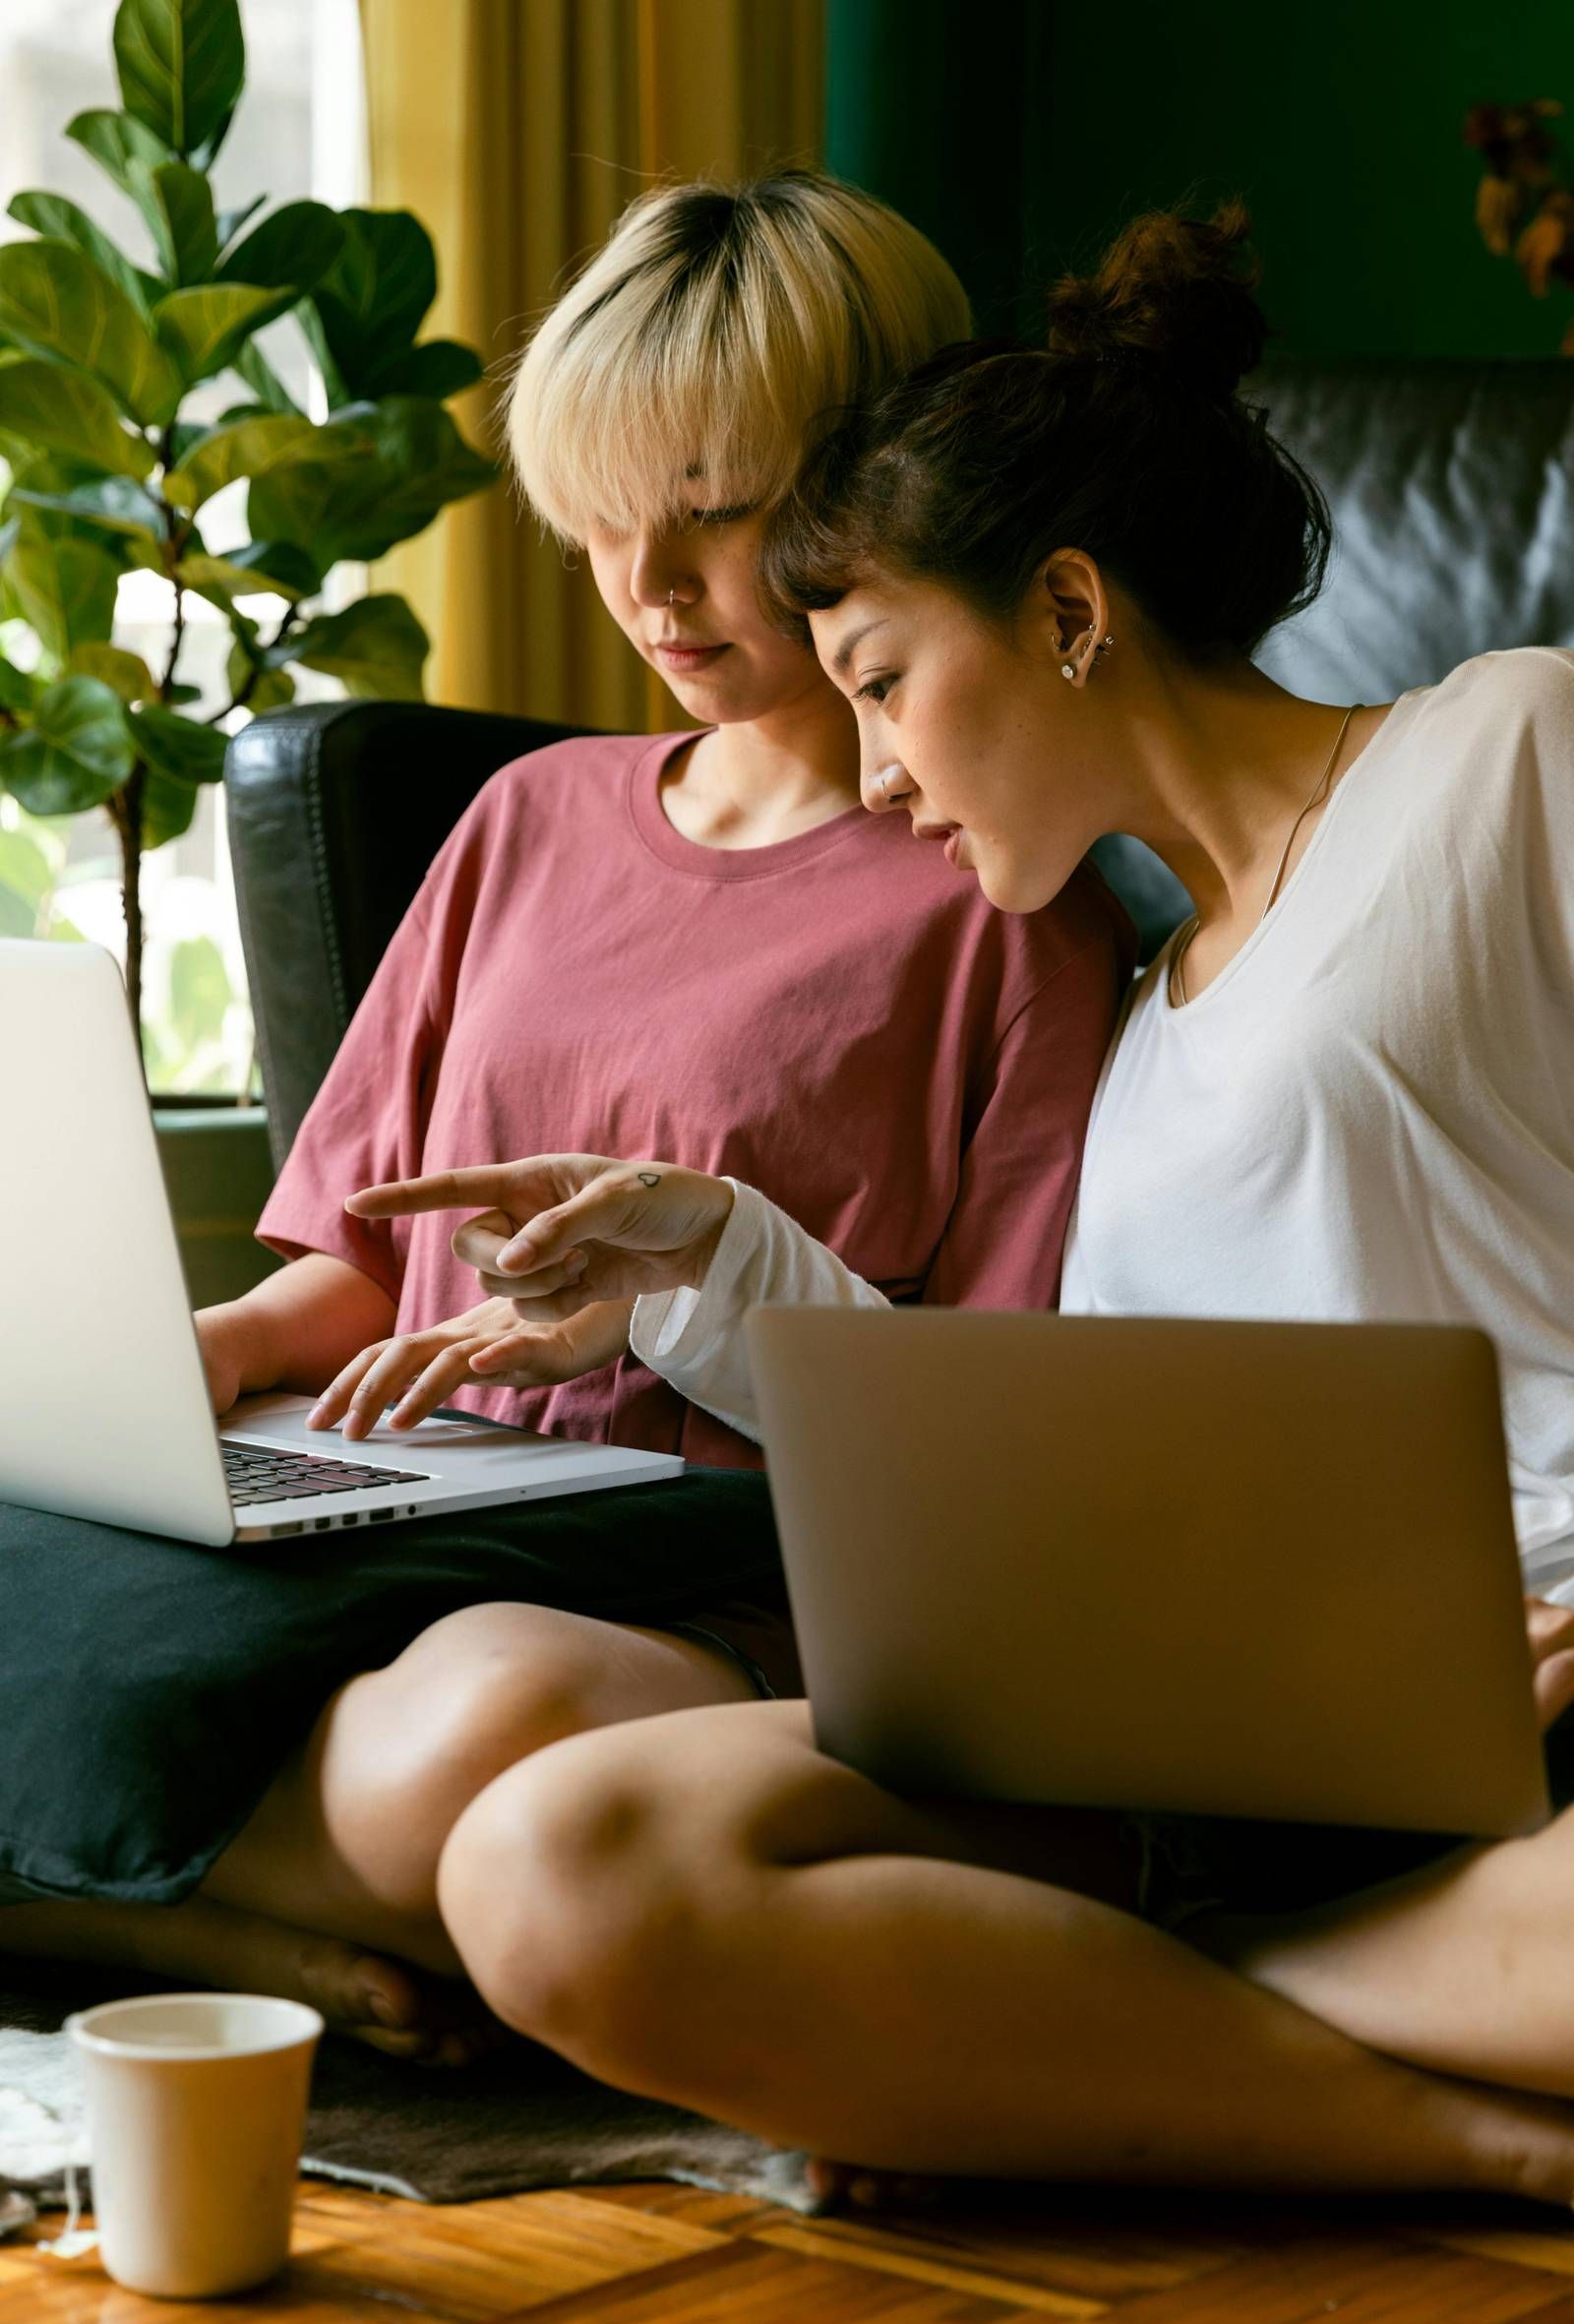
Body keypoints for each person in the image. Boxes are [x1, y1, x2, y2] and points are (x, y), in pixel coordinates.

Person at [369, 207, 1574, 2200]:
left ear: (1068, 612)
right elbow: (1033, 1479)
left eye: (882, 680)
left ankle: (1117, 2015)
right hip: (1221, 1732)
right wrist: (706, 1266)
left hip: (1530, 1697)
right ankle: (1461, 2138)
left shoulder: (1501, 754)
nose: (875, 773)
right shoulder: (1136, 1016)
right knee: (551, 1864)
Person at [0, 171, 1127, 2056]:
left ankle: (104, 1895)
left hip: (701, 1569)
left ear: (877, 487)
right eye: (602, 527)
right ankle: (192, 1918)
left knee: (484, 1729)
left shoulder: (1005, 894)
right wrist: (180, 1368)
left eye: (713, 520)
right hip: (394, 1494)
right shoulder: (525, 821)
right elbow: (348, 1274)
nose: (647, 591)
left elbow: (992, 1412)